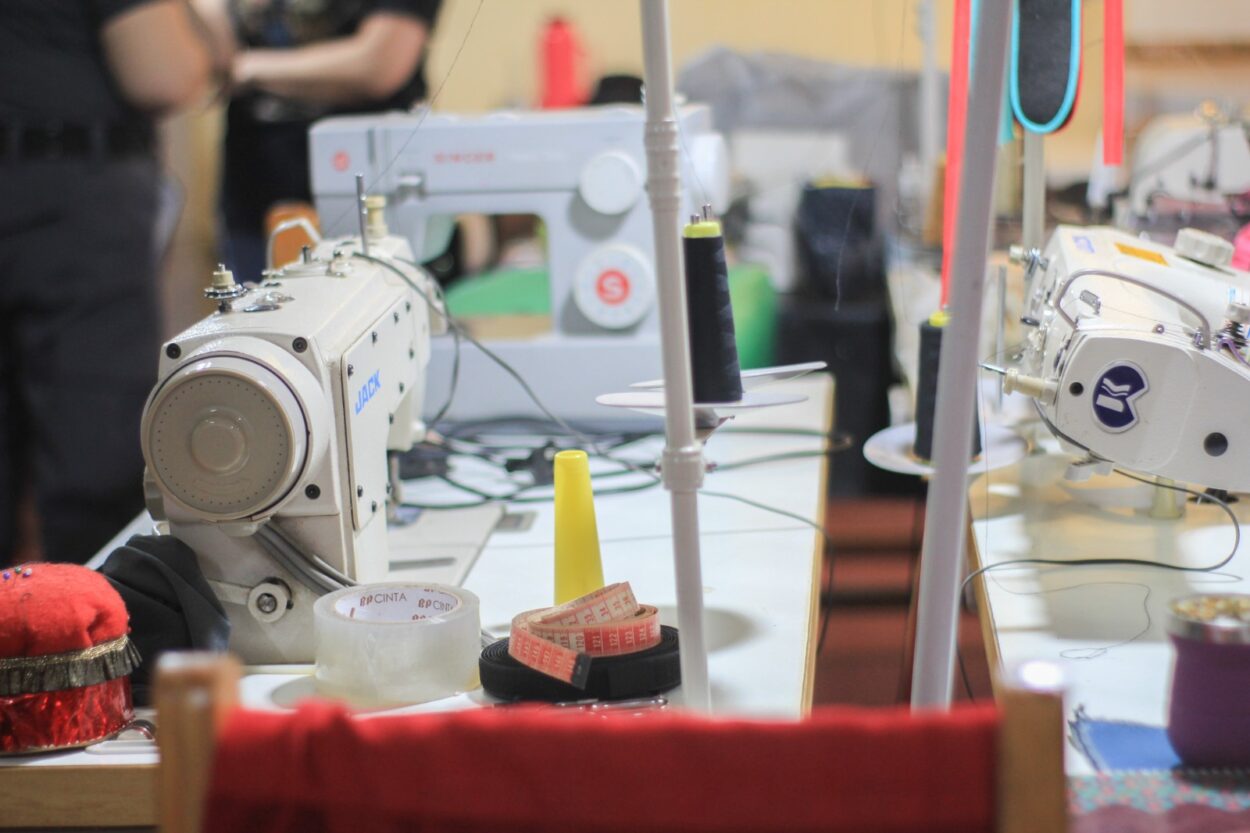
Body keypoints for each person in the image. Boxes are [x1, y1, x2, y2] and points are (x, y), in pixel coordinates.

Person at [0, 1, 214, 567]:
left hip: (43, 183)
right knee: (95, 466)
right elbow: (166, 74)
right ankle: (96, 620)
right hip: (68, 197)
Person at [197, 0, 441, 283]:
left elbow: (381, 64)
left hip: (375, 190)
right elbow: (215, 58)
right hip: (256, 186)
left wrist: (248, 68)